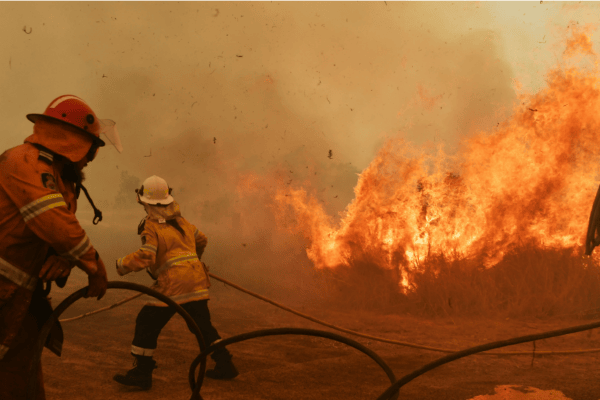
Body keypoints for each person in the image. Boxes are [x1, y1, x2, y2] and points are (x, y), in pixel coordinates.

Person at [0, 94, 123, 400]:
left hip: (19, 299)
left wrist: (64, 259)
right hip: (6, 293)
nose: (89, 161)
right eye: (90, 153)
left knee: (22, 379)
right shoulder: (24, 162)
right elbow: (53, 221)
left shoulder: (59, 180)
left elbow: (54, 234)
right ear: (75, 143)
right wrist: (93, 265)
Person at [113, 175, 238, 390]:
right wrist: (193, 259)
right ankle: (225, 363)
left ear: (144, 201)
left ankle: (142, 373)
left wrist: (122, 265)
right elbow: (202, 239)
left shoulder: (151, 226)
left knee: (146, 322)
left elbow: (147, 255)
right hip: (197, 280)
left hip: (173, 285)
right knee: (202, 325)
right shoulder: (181, 221)